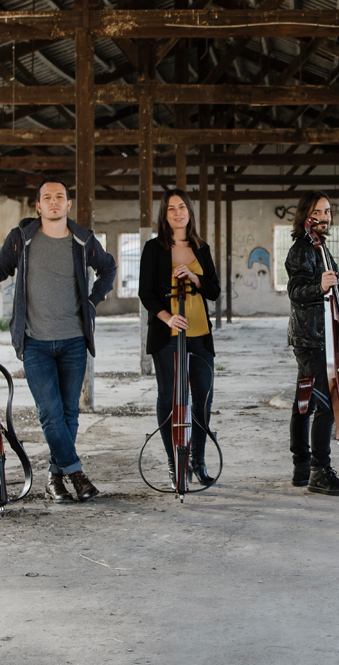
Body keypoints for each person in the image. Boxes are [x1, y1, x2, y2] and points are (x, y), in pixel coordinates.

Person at [0, 178, 117, 503]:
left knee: (69, 413)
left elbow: (107, 269)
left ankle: (55, 478)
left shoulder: (84, 240)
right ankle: (76, 473)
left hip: (74, 342)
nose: (54, 202)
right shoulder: (21, 239)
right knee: (51, 413)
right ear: (38, 206)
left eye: (60, 197)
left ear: (68, 204)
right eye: (47, 197)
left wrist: (93, 302)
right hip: (35, 342)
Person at [138, 189, 221, 488]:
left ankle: (197, 460)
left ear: (189, 212)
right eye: (171, 208)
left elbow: (214, 290)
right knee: (170, 398)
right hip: (167, 334)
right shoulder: (153, 249)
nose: (177, 212)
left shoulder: (201, 248)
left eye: (182, 207)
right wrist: (168, 317)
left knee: (203, 399)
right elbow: (146, 293)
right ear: (165, 214)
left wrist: (196, 279)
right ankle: (177, 463)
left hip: (200, 334)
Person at [285, 191, 339, 496]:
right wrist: (319, 286)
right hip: (311, 338)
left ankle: (301, 465)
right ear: (305, 216)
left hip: (316, 334)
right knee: (328, 401)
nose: (325, 217)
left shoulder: (319, 247)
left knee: (306, 400)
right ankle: (319, 471)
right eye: (318, 212)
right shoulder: (302, 249)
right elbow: (296, 291)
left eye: (327, 211)